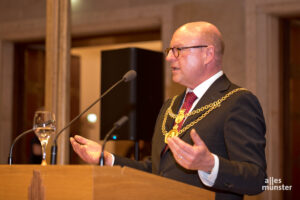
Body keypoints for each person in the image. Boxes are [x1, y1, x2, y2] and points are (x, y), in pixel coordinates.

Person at [70, 21, 267, 200]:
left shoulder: (237, 101)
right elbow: (157, 170)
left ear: (208, 53)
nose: (169, 58)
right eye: (169, 50)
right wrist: (108, 159)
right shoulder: (171, 105)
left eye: (178, 50)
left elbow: (256, 178)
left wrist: (210, 165)